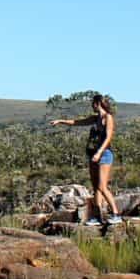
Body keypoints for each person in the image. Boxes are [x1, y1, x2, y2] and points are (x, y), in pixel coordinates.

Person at [50, 94, 121, 228]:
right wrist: (60, 121)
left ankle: (116, 214)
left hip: (104, 154)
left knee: (102, 186)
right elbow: (77, 122)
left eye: (93, 104)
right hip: (93, 154)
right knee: (96, 188)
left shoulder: (108, 118)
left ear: (98, 103)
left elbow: (108, 138)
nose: (91, 106)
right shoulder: (95, 118)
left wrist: (99, 153)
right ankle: (97, 216)